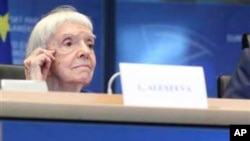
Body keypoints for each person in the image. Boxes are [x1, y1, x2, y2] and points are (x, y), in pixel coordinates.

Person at [23, 5, 96, 92]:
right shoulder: (10, 103)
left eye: (90, 45)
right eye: (68, 44)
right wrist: (35, 89)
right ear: (42, 58)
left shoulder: (102, 105)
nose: (86, 51)